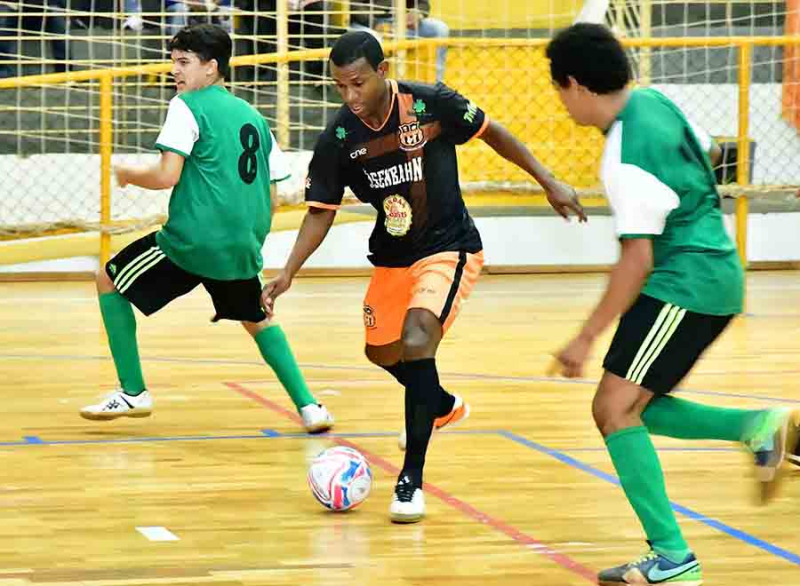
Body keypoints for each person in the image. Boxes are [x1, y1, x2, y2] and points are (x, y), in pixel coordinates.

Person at [262, 31, 585, 524]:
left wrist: (548, 180)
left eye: (358, 84)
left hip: (448, 246)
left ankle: (410, 480)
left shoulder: (433, 105)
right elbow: (320, 211)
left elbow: (495, 133)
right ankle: (438, 403)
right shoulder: (339, 137)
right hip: (393, 257)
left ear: (382, 71)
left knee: (417, 340)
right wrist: (287, 272)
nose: (350, 97)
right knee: (382, 351)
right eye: (340, 87)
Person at [546, 23, 797, 585]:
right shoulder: (657, 101)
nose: (560, 103)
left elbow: (636, 263)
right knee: (635, 406)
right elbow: (708, 150)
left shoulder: (624, 156)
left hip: (686, 282)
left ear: (576, 86)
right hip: (714, 271)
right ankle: (758, 425)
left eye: (558, 90)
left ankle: (673, 557)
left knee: (612, 409)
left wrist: (585, 337)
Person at [80, 24, 333, 435]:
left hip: (192, 241)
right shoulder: (254, 117)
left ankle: (133, 391)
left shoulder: (186, 105)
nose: (175, 71)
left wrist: (128, 174)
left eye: (184, 62)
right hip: (242, 246)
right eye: (173, 62)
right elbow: (271, 197)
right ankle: (310, 407)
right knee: (258, 320)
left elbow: (166, 175)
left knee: (107, 279)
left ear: (212, 68)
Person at [350, 0, 449, 82]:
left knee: (440, 29)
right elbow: (353, 5)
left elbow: (422, 3)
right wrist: (375, 24)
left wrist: (416, 13)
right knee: (375, 39)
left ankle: (438, 85)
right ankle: (378, 91)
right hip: (365, 23)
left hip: (400, 21)